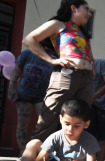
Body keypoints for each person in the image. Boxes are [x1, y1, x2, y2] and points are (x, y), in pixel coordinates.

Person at [22, 0, 94, 143]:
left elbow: (89, 55)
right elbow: (29, 40)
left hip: (86, 80)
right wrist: (52, 60)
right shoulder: (58, 24)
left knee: (79, 121)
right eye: (86, 9)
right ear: (73, 8)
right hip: (66, 75)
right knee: (47, 120)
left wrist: (92, 68)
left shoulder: (82, 32)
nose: (89, 14)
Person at [0, 99, 100, 161]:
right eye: (67, 124)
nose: (70, 129)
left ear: (86, 124)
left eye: (76, 126)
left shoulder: (89, 140)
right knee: (34, 143)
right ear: (61, 119)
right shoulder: (55, 137)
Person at [7, 38, 55, 154]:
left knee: (43, 123)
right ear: (40, 45)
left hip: (42, 96)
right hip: (24, 93)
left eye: (50, 52)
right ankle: (23, 151)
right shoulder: (28, 54)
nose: (47, 53)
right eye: (46, 50)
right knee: (22, 123)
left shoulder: (53, 60)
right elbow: (16, 70)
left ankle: (31, 148)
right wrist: (11, 87)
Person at [87, 59, 105, 161]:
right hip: (89, 106)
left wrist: (93, 97)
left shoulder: (101, 63)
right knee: (89, 137)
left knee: (103, 139)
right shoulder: (82, 66)